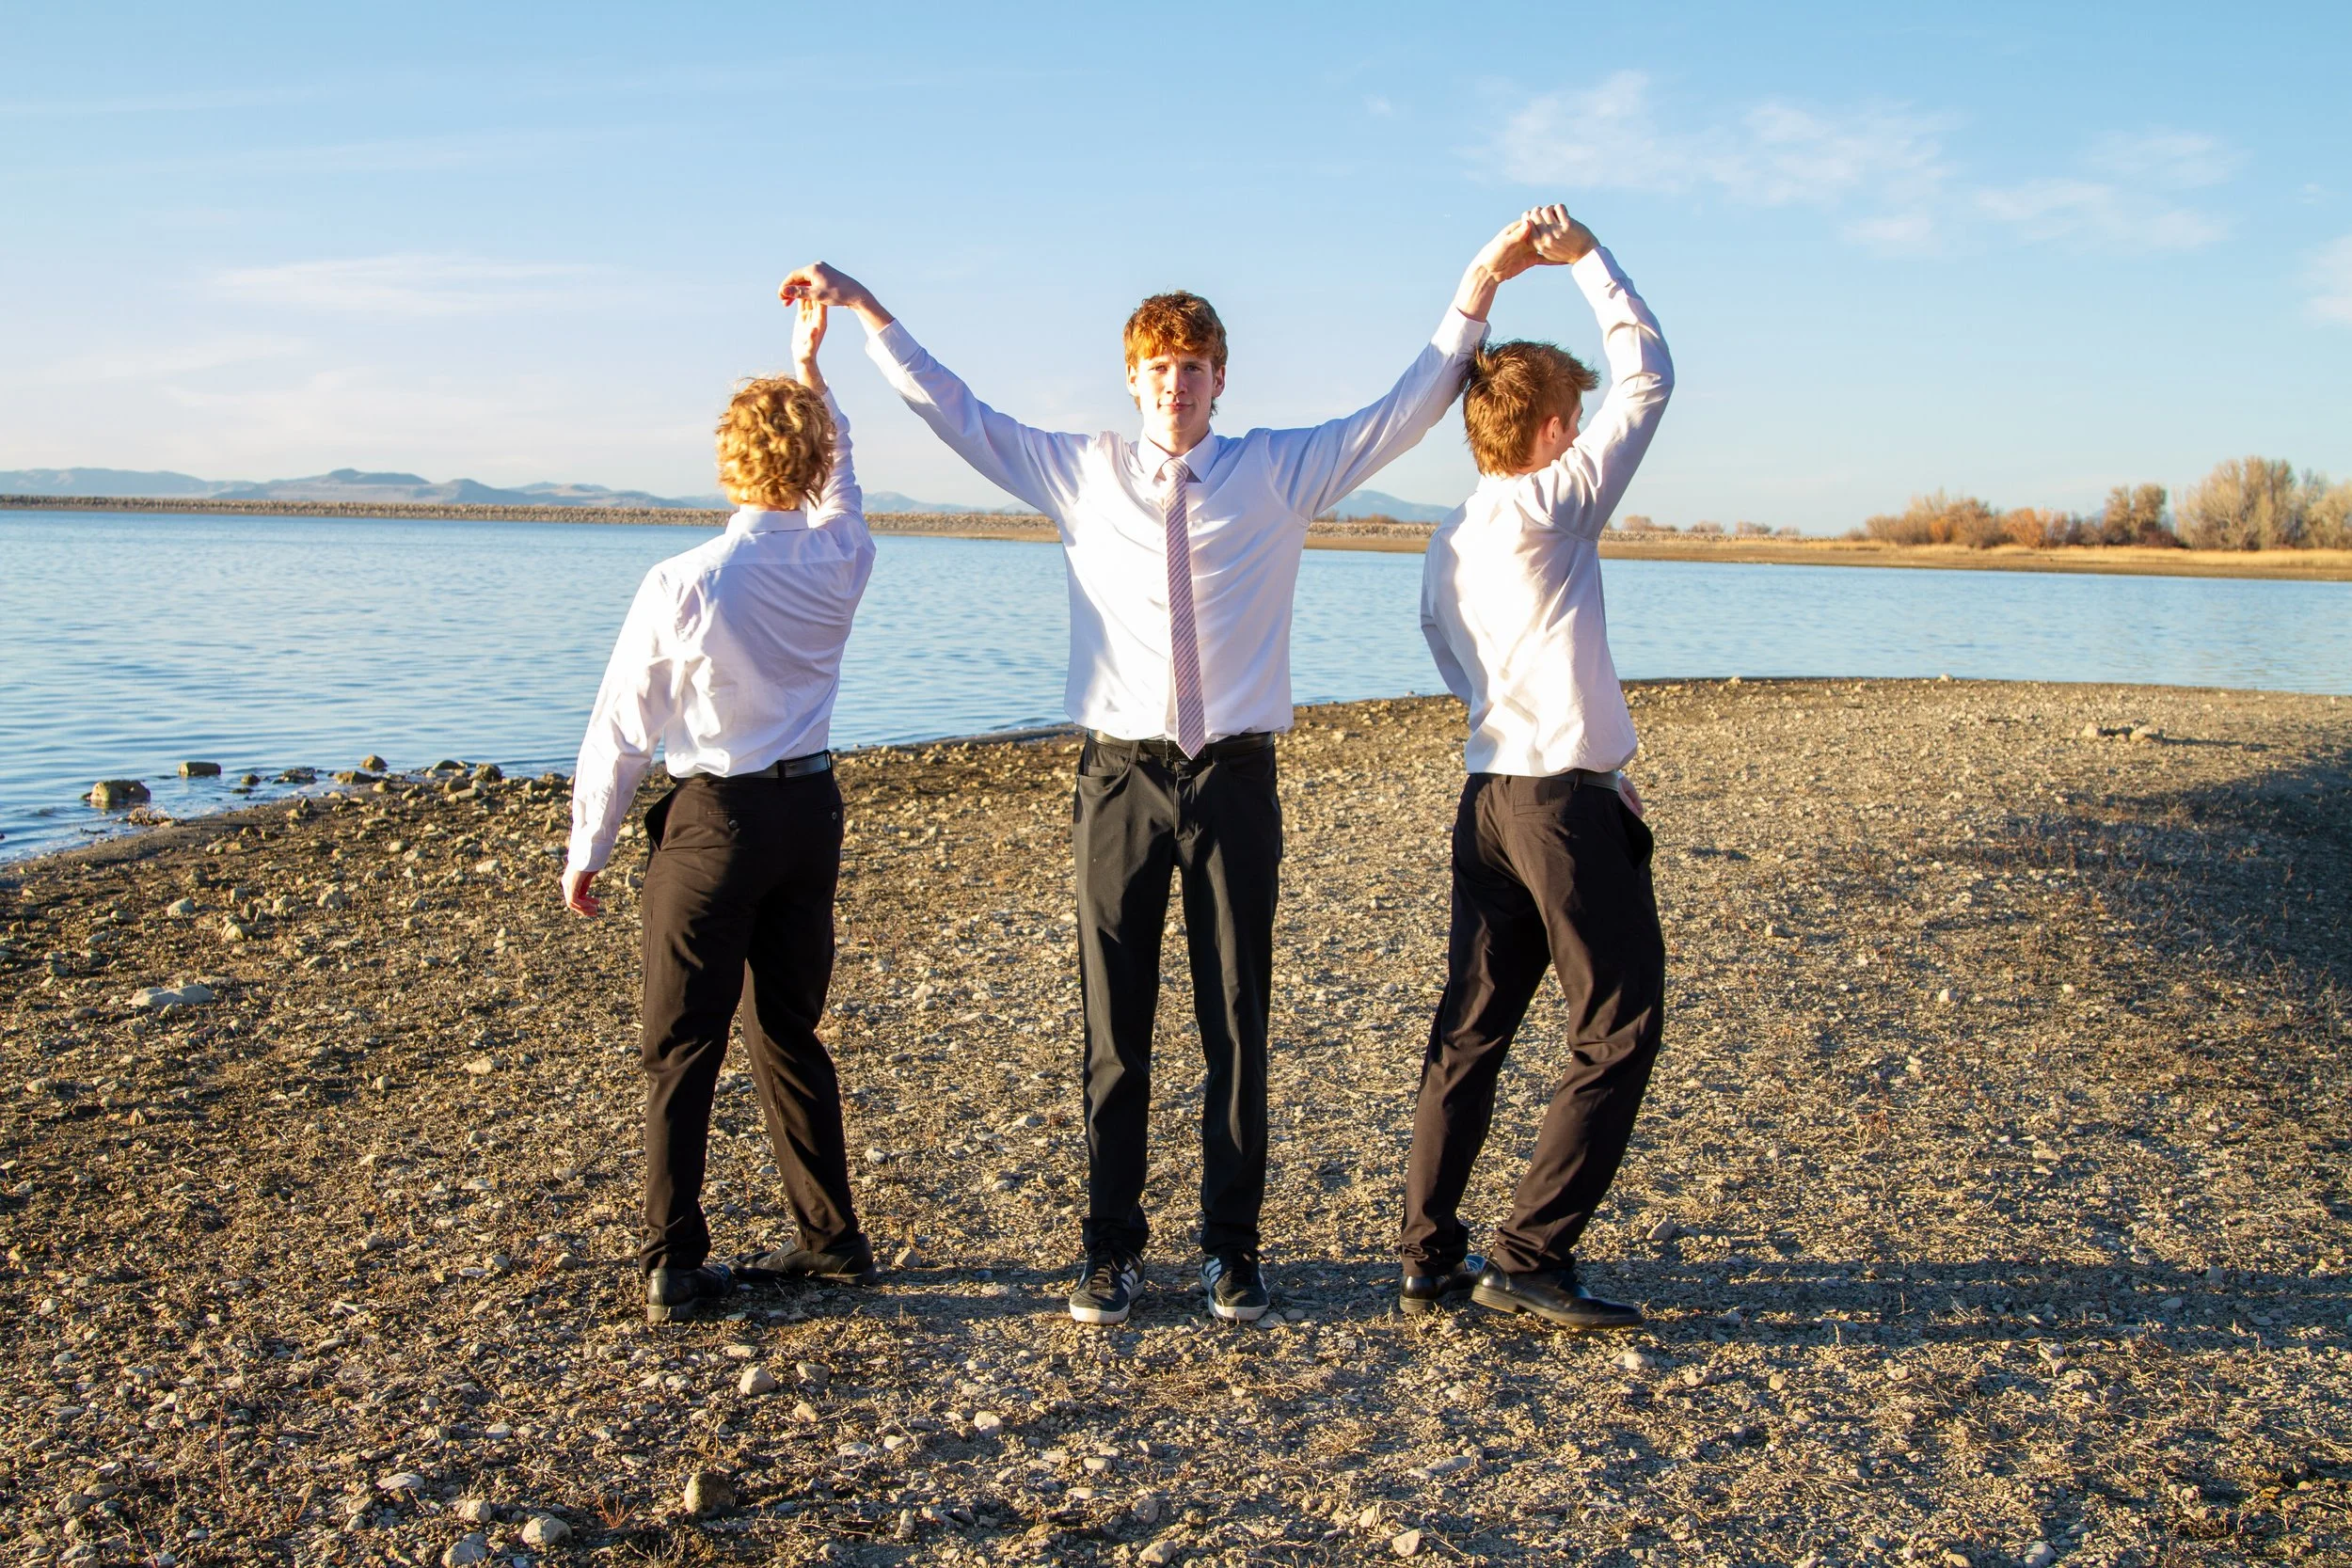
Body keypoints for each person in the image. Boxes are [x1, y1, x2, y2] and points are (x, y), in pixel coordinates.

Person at [781, 217, 1549, 1325]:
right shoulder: (1080, 471)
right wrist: (864, 314)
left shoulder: (1279, 471)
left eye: (1192, 369)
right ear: (1133, 381)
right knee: (1115, 1022)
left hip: (1236, 777)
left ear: (1218, 378)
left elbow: (1404, 406)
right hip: (1119, 779)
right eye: (1157, 370)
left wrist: (1478, 282)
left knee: (1238, 1014)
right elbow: (960, 413)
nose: (1174, 386)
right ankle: (1110, 1248)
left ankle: (1231, 1250)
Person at [562, 296, 882, 1325]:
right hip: (809, 812)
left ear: (728, 463)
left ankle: (672, 1256)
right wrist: (812, 366)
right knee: (789, 1027)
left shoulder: (685, 580)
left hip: (716, 821)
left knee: (683, 1040)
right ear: (815, 459)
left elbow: (623, 726)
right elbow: (848, 475)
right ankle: (830, 1239)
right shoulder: (842, 556)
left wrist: (590, 845)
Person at [1399, 205, 1674, 1329]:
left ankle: (1426, 1254)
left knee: (1473, 1027)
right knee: (1617, 1021)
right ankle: (1527, 1251)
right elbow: (1648, 377)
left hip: (1494, 793)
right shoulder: (1555, 502)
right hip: (1552, 799)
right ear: (1556, 426)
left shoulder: (1449, 537)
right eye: (1576, 416)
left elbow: (1447, 653)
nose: (1585, 428)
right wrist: (1588, 263)